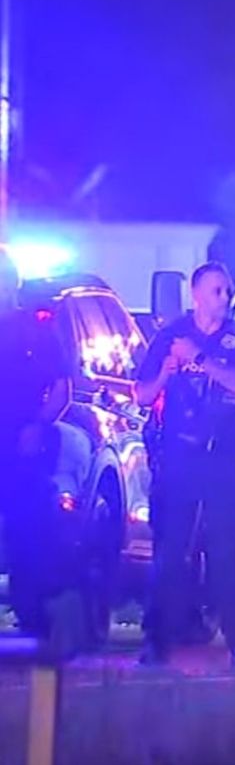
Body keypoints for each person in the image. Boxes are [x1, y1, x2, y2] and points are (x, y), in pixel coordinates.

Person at [134, 262, 235, 667]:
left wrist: (201, 358)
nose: (223, 298)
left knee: (228, 553)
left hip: (224, 459)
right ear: (195, 294)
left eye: (226, 291)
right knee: (170, 552)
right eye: (215, 291)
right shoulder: (170, 335)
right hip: (178, 457)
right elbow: (141, 394)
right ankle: (156, 640)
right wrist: (166, 373)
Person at [0, 249, 73, 649]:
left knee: (26, 535)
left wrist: (38, 425)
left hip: (20, 447)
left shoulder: (35, 331)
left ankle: (33, 622)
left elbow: (62, 388)